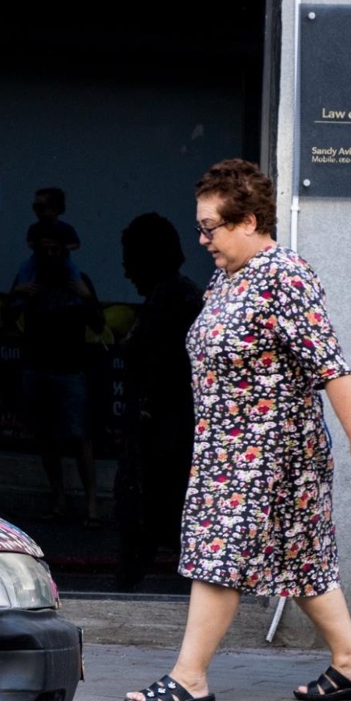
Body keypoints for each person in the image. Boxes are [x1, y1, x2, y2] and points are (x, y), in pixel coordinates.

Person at [125, 159, 351, 701]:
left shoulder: (284, 276)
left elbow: (330, 364)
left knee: (218, 555)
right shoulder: (229, 278)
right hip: (228, 448)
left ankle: (189, 677)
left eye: (210, 228)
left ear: (247, 221)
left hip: (267, 453)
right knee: (305, 558)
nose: (202, 241)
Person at [113, 213, 200, 590]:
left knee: (152, 525)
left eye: (130, 256)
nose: (125, 267)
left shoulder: (176, 302)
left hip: (164, 443)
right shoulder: (166, 298)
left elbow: (169, 377)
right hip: (153, 440)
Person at [10, 231, 105, 526]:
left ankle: (92, 505)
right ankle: (59, 500)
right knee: (45, 437)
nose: (50, 256)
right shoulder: (30, 280)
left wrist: (86, 297)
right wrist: (17, 295)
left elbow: (99, 323)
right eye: (44, 249)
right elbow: (6, 317)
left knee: (79, 438)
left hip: (70, 369)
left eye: (56, 250)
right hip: (37, 366)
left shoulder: (78, 281)